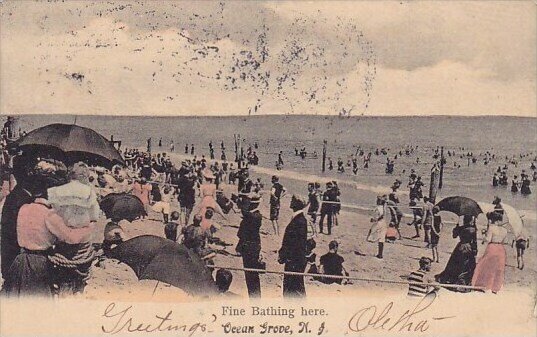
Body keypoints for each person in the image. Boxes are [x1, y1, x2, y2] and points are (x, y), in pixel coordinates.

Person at [3, 181, 94, 297]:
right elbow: (71, 238)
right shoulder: (50, 215)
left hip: (20, 261)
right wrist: (88, 228)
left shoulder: (24, 208)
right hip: (39, 264)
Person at [435, 215, 477, 292]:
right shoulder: (473, 229)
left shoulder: (461, 228)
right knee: (466, 266)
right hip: (468, 247)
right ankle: (462, 281)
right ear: (471, 220)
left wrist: (456, 227)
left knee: (455, 263)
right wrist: (475, 250)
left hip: (460, 246)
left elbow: (454, 236)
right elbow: (474, 241)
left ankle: (452, 280)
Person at [278, 195, 308, 297]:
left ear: (296, 203)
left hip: (294, 261)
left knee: (292, 289)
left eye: (292, 200)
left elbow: (293, 243)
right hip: (295, 260)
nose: (290, 202)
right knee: (294, 288)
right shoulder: (299, 219)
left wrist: (284, 256)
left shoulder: (299, 221)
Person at [472, 212, 508, 293]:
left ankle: (483, 285)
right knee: (499, 268)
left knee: (485, 266)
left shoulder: (491, 228)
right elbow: (504, 241)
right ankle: (495, 287)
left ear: (493, 220)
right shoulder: (504, 230)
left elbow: (488, 239)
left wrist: (484, 234)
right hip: (501, 249)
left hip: (492, 247)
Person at [236, 195, 263, 298]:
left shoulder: (251, 217)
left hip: (249, 247)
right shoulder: (257, 215)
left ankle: (254, 297)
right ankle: (255, 296)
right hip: (254, 246)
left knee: (250, 275)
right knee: (252, 274)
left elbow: (244, 213)